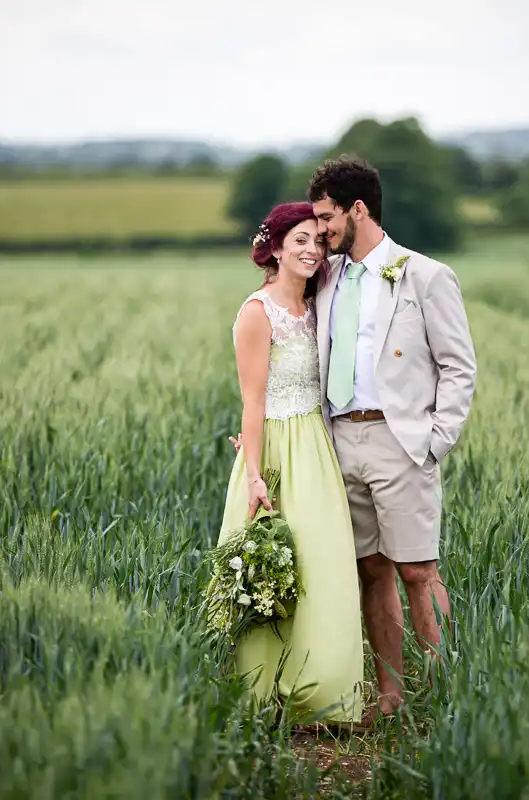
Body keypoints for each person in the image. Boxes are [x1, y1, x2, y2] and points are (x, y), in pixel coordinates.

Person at [308, 155, 477, 725]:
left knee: (417, 571)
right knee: (371, 570)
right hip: (340, 441)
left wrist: (435, 441)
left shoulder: (424, 275)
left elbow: (459, 367)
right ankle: (390, 696)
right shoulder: (325, 277)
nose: (321, 231)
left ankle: (442, 696)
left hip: (401, 441)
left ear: (358, 210)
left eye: (328, 218)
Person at [216, 201, 365, 727]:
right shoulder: (257, 313)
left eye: (317, 241)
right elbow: (251, 401)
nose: (310, 249)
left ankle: (317, 695)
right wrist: (254, 474)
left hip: (316, 449)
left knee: (322, 568)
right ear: (275, 248)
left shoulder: (320, 305)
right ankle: (259, 693)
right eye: (298, 239)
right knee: (271, 567)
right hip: (276, 452)